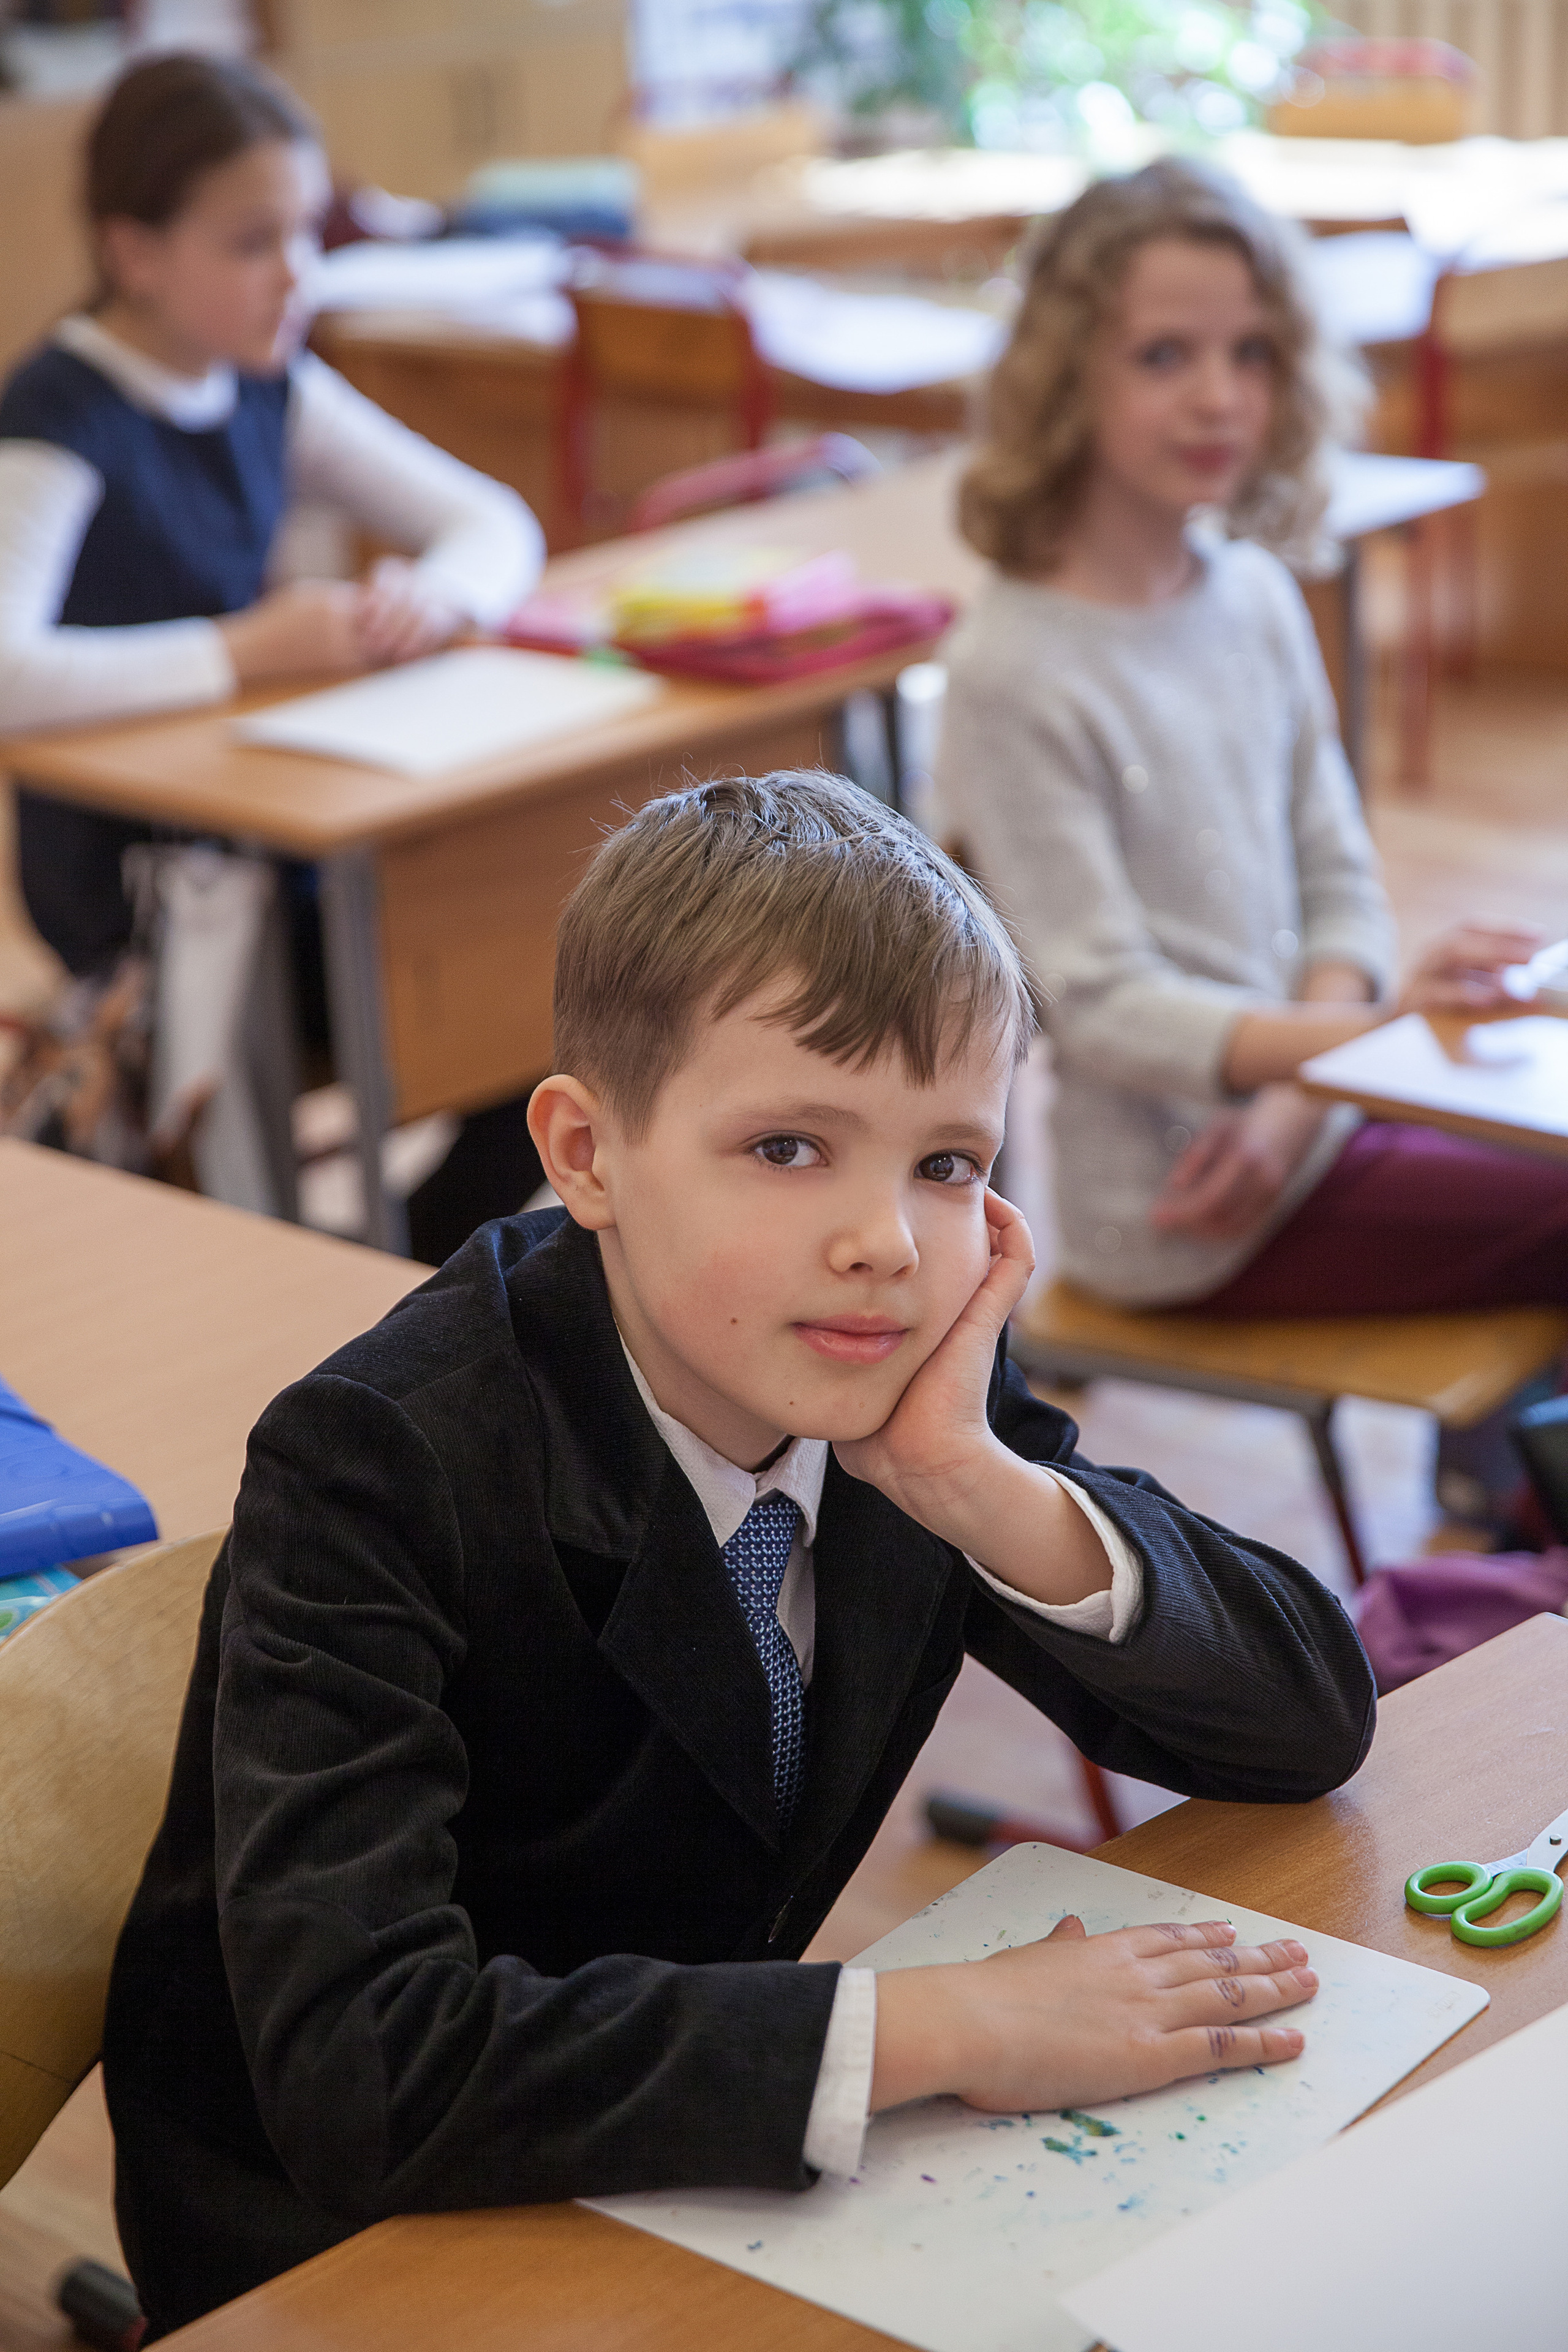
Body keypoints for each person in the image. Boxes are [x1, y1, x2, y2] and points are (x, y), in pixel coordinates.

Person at [103, 771, 1372, 2337]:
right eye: (787, 1148)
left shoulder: (888, 1378)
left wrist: (972, 1481)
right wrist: (938, 2026)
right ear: (585, 1156)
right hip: (351, 2246)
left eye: (948, 1164)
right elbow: (367, 2070)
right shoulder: (380, 1460)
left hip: (687, 2155)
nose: (886, 1242)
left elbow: (1306, 1720)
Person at [936, 159, 1568, 1321]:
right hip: (1194, 1206)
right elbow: (1108, 1007)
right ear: (1064, 373)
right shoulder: (1009, 670)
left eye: (1254, 353)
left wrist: (1305, 1098)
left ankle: (1502, 1487)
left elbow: (1340, 879)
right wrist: (1372, 1038)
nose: (1221, 397)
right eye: (1164, 355)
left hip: (1316, 1120)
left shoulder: (1256, 593)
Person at [0, 51, 544, 1246]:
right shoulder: (60, 420)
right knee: (502, 983)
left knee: (542, 972)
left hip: (265, 843)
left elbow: (493, 523)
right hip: (142, 894)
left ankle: (407, 1260)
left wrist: (435, 596)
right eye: (252, 242)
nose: (293, 272)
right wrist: (248, 651)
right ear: (135, 252)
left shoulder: (266, 384)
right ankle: (395, 1274)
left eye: (305, 231)